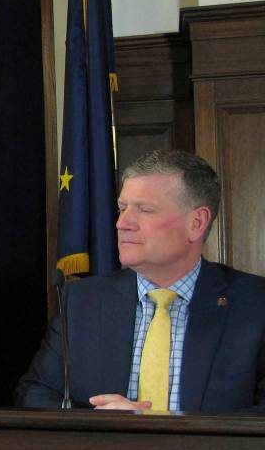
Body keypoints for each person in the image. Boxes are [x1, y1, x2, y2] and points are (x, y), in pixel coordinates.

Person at [16, 150, 265, 413]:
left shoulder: (255, 304)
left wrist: (162, 421)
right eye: (122, 208)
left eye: (145, 210)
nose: (122, 223)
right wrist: (99, 422)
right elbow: (33, 395)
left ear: (196, 222)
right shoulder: (81, 302)